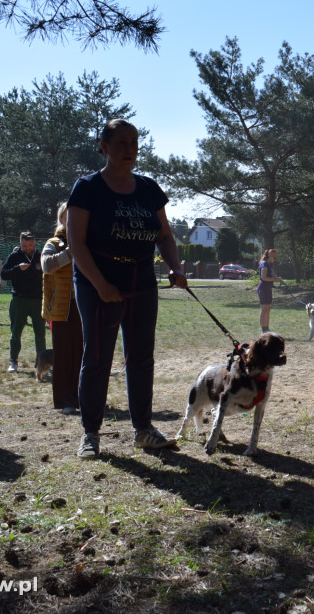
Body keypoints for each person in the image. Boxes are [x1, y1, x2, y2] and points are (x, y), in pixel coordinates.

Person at [67, 118, 187, 458]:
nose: (129, 149)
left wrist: (176, 267)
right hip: (97, 283)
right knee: (97, 356)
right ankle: (90, 433)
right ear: (103, 147)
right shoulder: (87, 188)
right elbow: (76, 243)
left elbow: (164, 235)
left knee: (141, 357)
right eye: (120, 142)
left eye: (134, 142)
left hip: (141, 283)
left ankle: (143, 430)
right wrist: (101, 284)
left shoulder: (149, 188)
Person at [42, 202, 81, 414]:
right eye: (68, 216)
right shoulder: (54, 243)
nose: (73, 219)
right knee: (64, 355)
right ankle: (66, 400)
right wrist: (71, 251)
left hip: (86, 307)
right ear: (61, 220)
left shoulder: (89, 241)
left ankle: (85, 397)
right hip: (62, 310)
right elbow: (47, 265)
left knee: (85, 355)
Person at [1, 232, 46, 374]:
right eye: (25, 245)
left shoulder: (41, 255)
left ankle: (41, 361)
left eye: (31, 245)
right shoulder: (15, 256)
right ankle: (13, 361)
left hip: (38, 300)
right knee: (16, 332)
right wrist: (17, 268)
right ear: (20, 244)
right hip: (19, 300)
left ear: (35, 243)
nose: (28, 248)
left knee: (40, 333)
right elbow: (4, 274)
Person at [256, 249, 281, 332]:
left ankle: (267, 328)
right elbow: (264, 277)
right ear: (271, 257)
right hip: (263, 288)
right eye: (274, 258)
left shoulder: (269, 264)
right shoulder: (264, 264)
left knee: (268, 309)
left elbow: (269, 275)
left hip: (268, 288)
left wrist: (276, 278)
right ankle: (263, 330)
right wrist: (275, 279)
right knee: (264, 309)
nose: (275, 260)